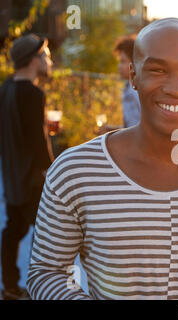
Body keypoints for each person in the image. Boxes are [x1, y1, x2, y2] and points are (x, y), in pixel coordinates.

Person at [26, 18, 178, 300]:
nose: (177, 88)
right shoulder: (74, 171)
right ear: (133, 76)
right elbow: (47, 271)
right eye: (157, 70)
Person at [0, 34, 54, 300]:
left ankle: (10, 285)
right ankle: (42, 287)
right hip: (32, 177)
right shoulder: (33, 93)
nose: (49, 60)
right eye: (46, 56)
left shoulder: (6, 88)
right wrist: (52, 170)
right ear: (34, 60)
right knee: (47, 232)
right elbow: (37, 140)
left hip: (12, 174)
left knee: (14, 228)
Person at [99, 35, 141, 133]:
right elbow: (131, 127)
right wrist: (110, 129)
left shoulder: (137, 91)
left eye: (123, 61)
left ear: (135, 63)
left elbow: (141, 130)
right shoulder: (127, 87)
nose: (119, 66)